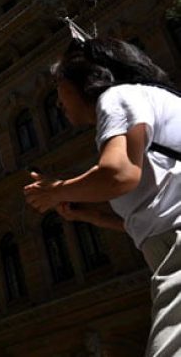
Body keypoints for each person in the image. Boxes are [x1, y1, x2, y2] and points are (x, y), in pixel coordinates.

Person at [23, 36, 181, 357]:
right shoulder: (154, 99)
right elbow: (155, 212)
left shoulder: (116, 96)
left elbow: (120, 173)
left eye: (59, 86)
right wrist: (89, 216)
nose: (58, 101)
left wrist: (56, 190)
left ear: (87, 78)